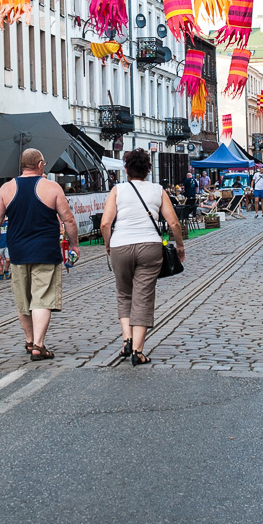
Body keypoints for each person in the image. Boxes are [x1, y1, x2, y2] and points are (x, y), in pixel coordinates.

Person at [0, 148, 80, 360]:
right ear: (39, 165)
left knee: (23, 299)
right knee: (42, 298)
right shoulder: (52, 187)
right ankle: (39, 344)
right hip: (46, 251)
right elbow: (69, 220)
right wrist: (74, 245)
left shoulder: (6, 189)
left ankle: (29, 340)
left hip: (18, 252)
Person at [101, 148, 185, 366]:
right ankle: (138, 351)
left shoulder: (117, 190)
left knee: (124, 293)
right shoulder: (158, 190)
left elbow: (105, 223)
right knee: (143, 296)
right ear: (148, 169)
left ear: (127, 170)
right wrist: (179, 245)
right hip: (149, 246)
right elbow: (174, 222)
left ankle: (127, 340)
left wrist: (108, 245)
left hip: (120, 245)